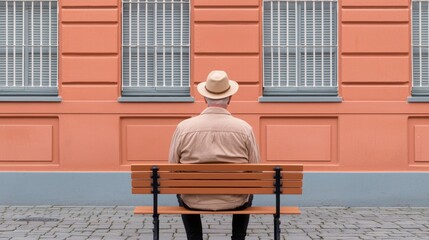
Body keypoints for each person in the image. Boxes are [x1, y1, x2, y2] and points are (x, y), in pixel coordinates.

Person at [168, 70, 261, 240]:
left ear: (204, 99)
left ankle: (194, 237)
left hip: (193, 200)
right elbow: (255, 172)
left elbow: (172, 169)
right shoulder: (245, 129)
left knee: (181, 190)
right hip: (235, 200)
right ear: (230, 98)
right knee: (248, 191)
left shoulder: (184, 128)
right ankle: (238, 237)